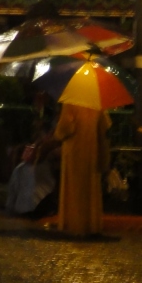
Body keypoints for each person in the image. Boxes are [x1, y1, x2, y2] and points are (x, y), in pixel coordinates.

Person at [53, 100, 111, 236]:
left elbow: (66, 127)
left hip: (74, 150)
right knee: (90, 186)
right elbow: (105, 125)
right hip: (92, 149)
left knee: (74, 188)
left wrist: (57, 134)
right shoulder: (97, 101)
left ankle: (75, 224)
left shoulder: (71, 101)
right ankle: (91, 224)